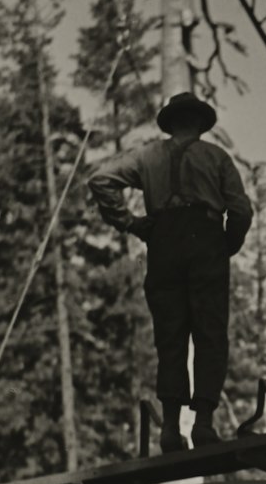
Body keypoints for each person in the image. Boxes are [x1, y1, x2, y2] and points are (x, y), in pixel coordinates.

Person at [87, 91, 254, 454]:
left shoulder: (148, 156)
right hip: (205, 240)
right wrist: (226, 244)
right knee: (210, 332)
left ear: (172, 122)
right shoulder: (216, 157)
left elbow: (101, 178)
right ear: (199, 123)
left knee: (170, 336)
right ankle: (204, 424)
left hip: (163, 244)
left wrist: (131, 222)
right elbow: (241, 211)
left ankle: (171, 429)